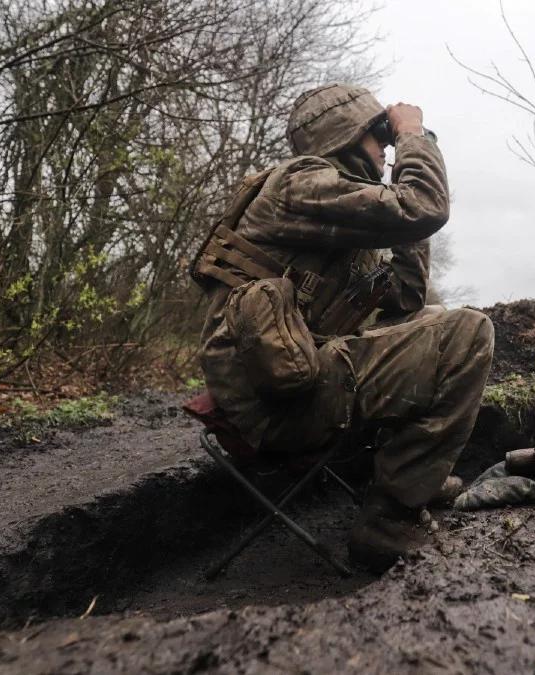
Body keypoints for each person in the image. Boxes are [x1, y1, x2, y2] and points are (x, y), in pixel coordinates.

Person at [193, 83, 494, 571]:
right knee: (469, 333)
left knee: (436, 318)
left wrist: (401, 207)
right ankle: (390, 521)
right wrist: (416, 135)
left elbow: (405, 298)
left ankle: (416, 474)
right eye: (381, 137)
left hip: (297, 379)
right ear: (349, 138)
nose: (387, 146)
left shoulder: (337, 218)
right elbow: (425, 206)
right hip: (275, 401)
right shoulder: (300, 185)